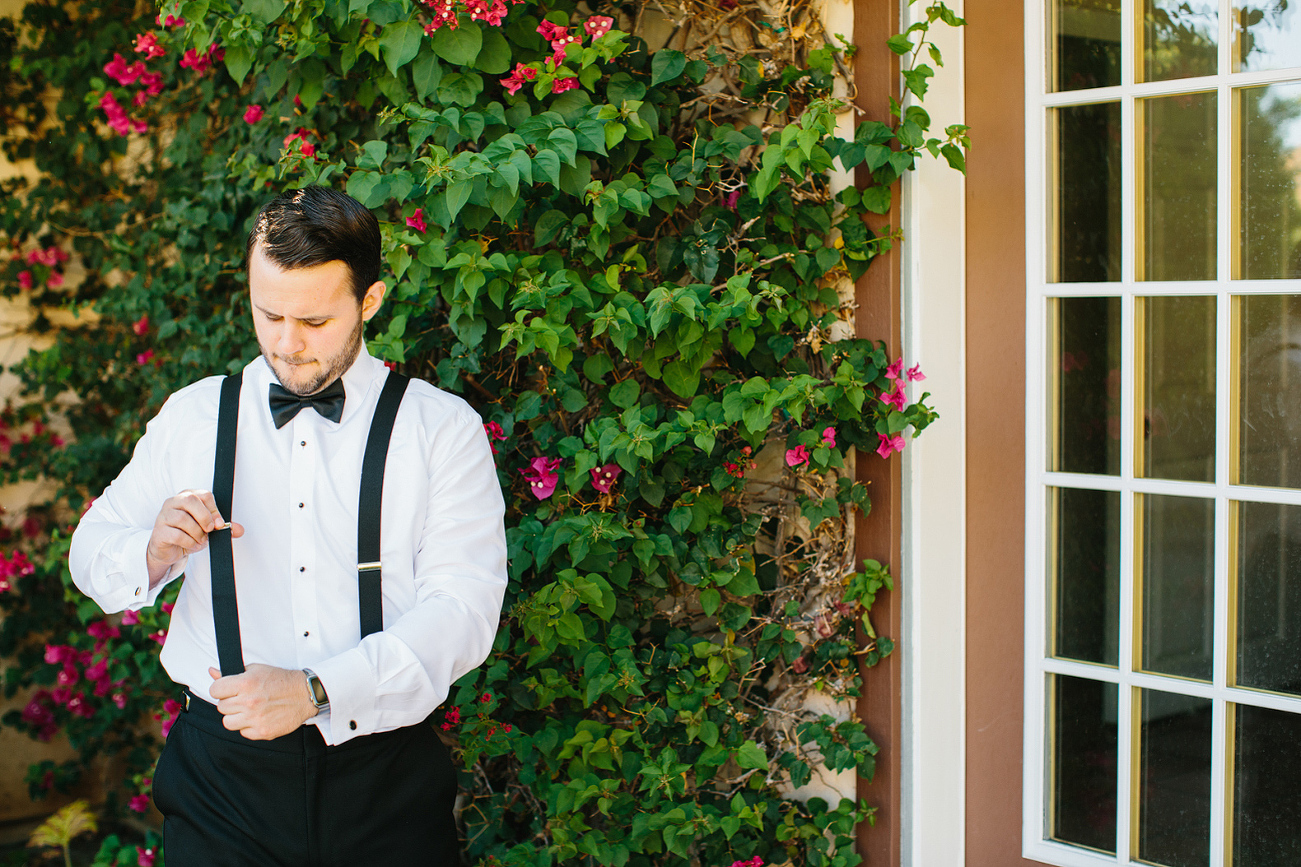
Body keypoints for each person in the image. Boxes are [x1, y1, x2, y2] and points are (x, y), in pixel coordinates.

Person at [69, 185, 508, 865]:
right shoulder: (194, 416)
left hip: (384, 782)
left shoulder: (440, 429)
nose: (286, 343)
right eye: (267, 313)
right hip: (220, 785)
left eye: (313, 320)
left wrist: (315, 691)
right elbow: (92, 552)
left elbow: (463, 609)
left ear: (369, 301)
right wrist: (150, 549)